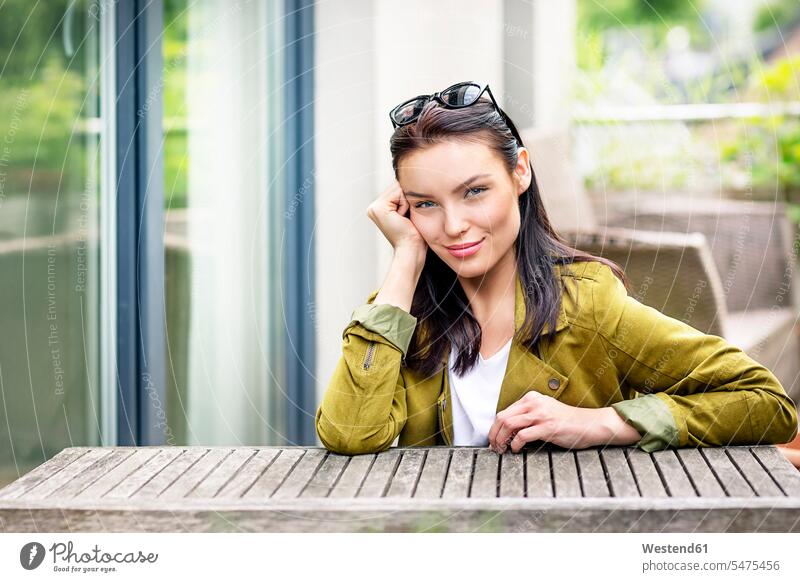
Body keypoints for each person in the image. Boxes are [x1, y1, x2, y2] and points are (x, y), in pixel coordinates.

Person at [315, 81, 799, 458]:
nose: (454, 226)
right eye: (425, 204)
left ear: (520, 172)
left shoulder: (587, 305)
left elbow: (765, 402)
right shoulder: (406, 317)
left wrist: (604, 423)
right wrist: (406, 259)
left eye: (474, 191)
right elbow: (350, 433)